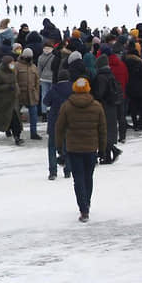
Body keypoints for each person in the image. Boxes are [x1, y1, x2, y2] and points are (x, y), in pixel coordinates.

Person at [56, 77, 107, 222]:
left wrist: (60, 147)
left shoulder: (67, 106)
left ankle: (83, 209)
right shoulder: (97, 106)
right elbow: (102, 129)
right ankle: (87, 204)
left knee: (78, 178)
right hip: (91, 148)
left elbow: (59, 128)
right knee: (88, 177)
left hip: (74, 148)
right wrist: (102, 149)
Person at [43, 69, 72, 180]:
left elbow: (45, 101)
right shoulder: (73, 88)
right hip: (68, 120)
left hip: (55, 120)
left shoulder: (54, 88)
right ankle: (68, 170)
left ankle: (53, 171)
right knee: (67, 145)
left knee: (52, 146)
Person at [0, 56, 23, 145]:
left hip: (12, 100)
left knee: (15, 119)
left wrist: (17, 90)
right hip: (2, 101)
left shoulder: (13, 72)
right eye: (11, 63)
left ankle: (17, 136)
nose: (13, 65)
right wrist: (8, 87)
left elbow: (15, 82)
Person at [16, 48, 42, 140]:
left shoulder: (33, 67)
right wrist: (17, 90)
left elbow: (37, 81)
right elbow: (14, 80)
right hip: (20, 94)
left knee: (34, 115)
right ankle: (16, 133)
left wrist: (37, 93)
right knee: (16, 115)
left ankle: (34, 133)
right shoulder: (17, 66)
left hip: (32, 94)